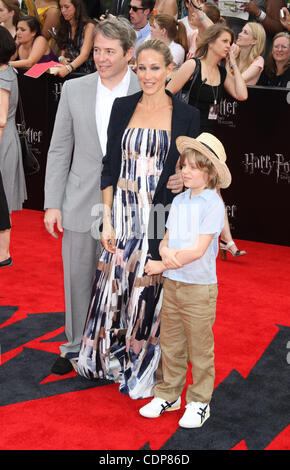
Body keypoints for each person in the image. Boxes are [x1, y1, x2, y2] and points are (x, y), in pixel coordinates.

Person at [77, 39, 200, 400]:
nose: (147, 75)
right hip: (121, 214)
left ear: (169, 71)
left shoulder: (187, 116)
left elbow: (193, 171)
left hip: (158, 218)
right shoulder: (122, 107)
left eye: (155, 68)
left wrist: (182, 179)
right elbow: (109, 167)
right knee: (115, 290)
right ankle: (109, 359)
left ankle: (141, 365)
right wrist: (108, 219)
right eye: (141, 68)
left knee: (146, 297)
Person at [44, 17, 141, 376]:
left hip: (128, 204)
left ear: (129, 54)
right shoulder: (75, 89)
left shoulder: (145, 90)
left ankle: (117, 348)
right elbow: (58, 150)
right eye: (97, 50)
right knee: (77, 276)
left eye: (109, 52)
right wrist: (53, 203)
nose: (101, 58)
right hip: (80, 198)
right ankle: (73, 347)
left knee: (124, 281)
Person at [139, 132, 230, 428]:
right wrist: (164, 253)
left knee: (200, 348)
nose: (186, 172)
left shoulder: (212, 204)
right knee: (171, 343)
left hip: (200, 289)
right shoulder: (178, 202)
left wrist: (161, 263)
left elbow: (199, 250)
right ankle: (169, 394)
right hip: (174, 284)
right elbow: (166, 239)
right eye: (184, 166)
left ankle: (200, 401)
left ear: (211, 172)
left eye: (194, 167)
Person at [167, 23, 248, 257]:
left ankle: (227, 241)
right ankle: (220, 241)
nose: (229, 46)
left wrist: (232, 62)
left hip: (207, 137)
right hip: (185, 133)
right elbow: (167, 93)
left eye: (231, 43)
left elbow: (242, 94)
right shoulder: (193, 66)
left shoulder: (222, 73)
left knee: (214, 188)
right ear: (211, 41)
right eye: (225, 41)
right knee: (179, 183)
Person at [0, 25, 27, 267]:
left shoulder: (2, 76)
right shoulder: (8, 70)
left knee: (2, 198)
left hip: (2, 141)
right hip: (6, 138)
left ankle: (2, 253)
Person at [53, 0, 96, 77]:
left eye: (66, 7)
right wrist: (62, 58)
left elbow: (84, 54)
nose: (63, 11)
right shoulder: (65, 25)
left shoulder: (89, 26)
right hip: (73, 72)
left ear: (77, 7)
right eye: (61, 7)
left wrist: (68, 68)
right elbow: (63, 47)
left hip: (88, 74)